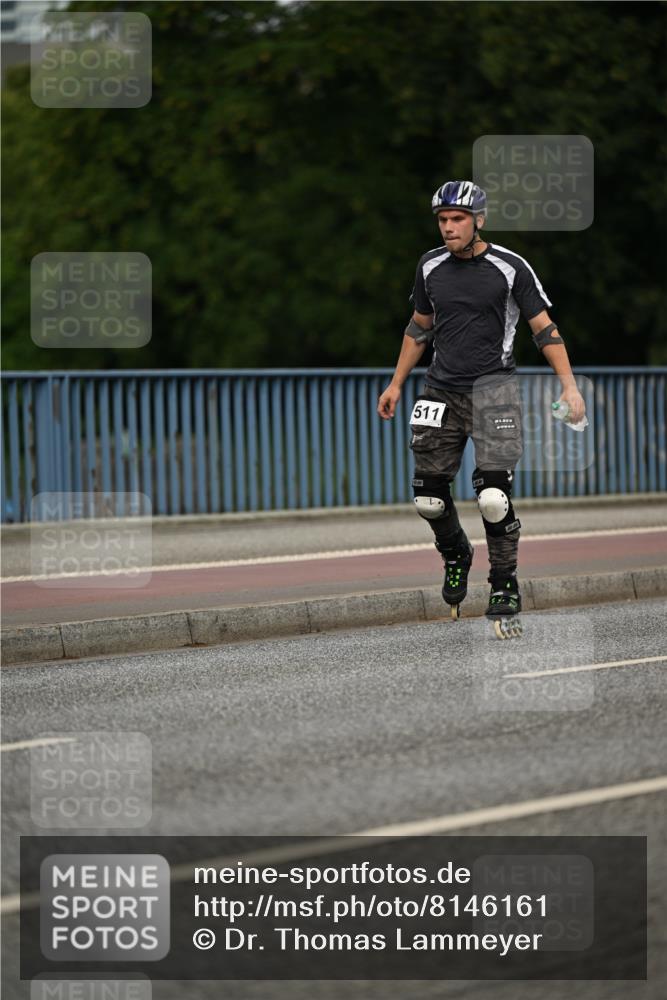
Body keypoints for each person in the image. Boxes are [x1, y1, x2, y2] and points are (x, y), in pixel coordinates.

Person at [377, 180, 586, 625]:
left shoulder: (510, 267)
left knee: (493, 497)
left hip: (496, 393)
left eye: (457, 220)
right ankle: (455, 552)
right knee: (428, 499)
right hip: (440, 392)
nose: (448, 228)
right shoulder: (430, 265)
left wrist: (569, 387)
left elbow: (544, 330)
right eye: (442, 220)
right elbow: (419, 329)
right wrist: (396, 384)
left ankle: (504, 581)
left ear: (479, 221)